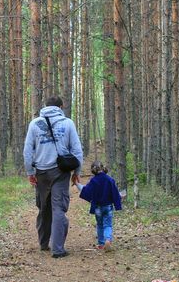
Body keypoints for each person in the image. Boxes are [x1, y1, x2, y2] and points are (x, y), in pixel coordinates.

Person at [23, 96, 83, 258]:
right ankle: (57, 249)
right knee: (58, 208)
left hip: (41, 172)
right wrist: (77, 172)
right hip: (60, 172)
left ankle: (43, 243)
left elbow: (28, 151)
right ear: (61, 107)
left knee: (44, 207)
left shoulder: (34, 124)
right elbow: (77, 150)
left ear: (45, 107)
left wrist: (30, 172)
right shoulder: (68, 123)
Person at [74, 161, 122, 252]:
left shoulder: (93, 181)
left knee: (100, 225)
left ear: (93, 170)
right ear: (102, 168)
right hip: (108, 207)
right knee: (108, 225)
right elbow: (115, 193)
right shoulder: (110, 179)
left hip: (98, 208)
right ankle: (108, 239)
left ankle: (101, 244)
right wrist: (119, 200)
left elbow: (86, 191)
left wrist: (76, 184)